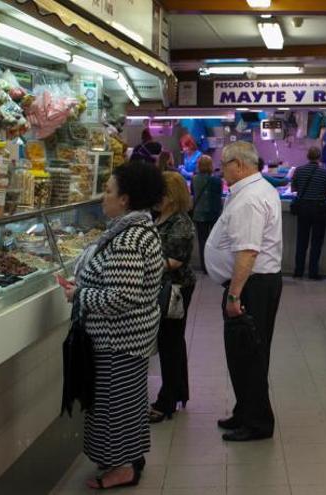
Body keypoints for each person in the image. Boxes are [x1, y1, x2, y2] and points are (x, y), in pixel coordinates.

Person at [61, 160, 164, 489]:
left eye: (107, 191)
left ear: (126, 199)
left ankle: (124, 468)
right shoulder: (132, 230)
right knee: (124, 403)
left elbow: (121, 298)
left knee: (115, 405)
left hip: (118, 341)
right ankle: (127, 461)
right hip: (126, 340)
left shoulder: (128, 240)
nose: (101, 196)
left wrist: (80, 294)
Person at [204, 141, 283, 442]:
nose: (221, 170)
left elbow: (248, 252)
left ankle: (257, 423)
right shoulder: (255, 191)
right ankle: (245, 410)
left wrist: (235, 295)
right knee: (243, 352)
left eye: (223, 165)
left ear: (238, 165)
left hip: (251, 287)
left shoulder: (249, 198)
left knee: (249, 353)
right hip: (254, 284)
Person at [150, 172, 196, 423]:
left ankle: (166, 401)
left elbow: (175, 261)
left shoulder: (181, 223)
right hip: (166, 288)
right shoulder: (160, 217)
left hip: (175, 290)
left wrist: (141, 263)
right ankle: (178, 392)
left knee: (170, 342)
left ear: (171, 196)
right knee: (173, 342)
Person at [291, 146, 326, 279]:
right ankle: (313, 272)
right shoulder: (325, 172)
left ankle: (298, 271)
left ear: (307, 156)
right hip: (319, 209)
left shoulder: (299, 170)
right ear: (319, 157)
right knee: (316, 241)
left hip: (303, 208)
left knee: (301, 240)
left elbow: (293, 189)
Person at [191, 155, 222, 274]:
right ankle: (214, 266)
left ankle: (205, 267)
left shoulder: (194, 179)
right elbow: (219, 194)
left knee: (202, 241)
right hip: (213, 213)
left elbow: (193, 193)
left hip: (199, 214)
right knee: (214, 241)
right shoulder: (216, 180)